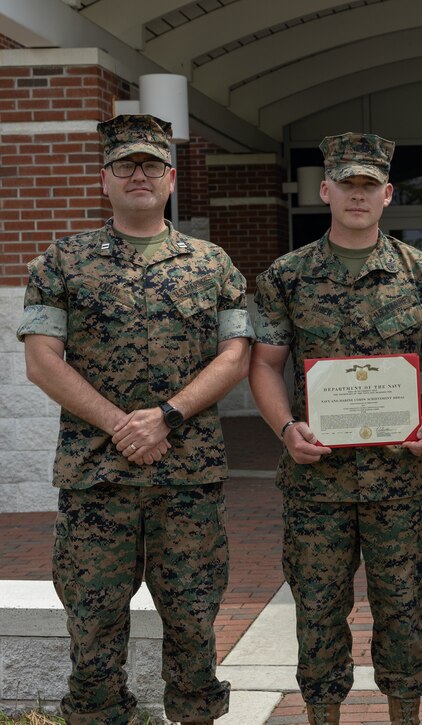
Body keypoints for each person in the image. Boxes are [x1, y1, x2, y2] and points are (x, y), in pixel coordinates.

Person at [16, 114, 251, 724]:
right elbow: (43, 362)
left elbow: (236, 355)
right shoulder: (61, 263)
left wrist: (167, 417)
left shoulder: (212, 263)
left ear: (172, 179)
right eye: (126, 165)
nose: (138, 175)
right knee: (93, 634)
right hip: (98, 480)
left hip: (188, 479)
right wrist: (123, 424)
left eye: (151, 165)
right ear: (105, 179)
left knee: (195, 626)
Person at [249, 132, 422, 725]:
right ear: (326, 191)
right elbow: (263, 364)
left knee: (403, 611)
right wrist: (286, 428)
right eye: (347, 184)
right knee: (318, 615)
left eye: (370, 185)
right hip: (318, 483)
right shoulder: (285, 277)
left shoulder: (421, 274)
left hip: (400, 479)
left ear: (388, 193)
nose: (358, 195)